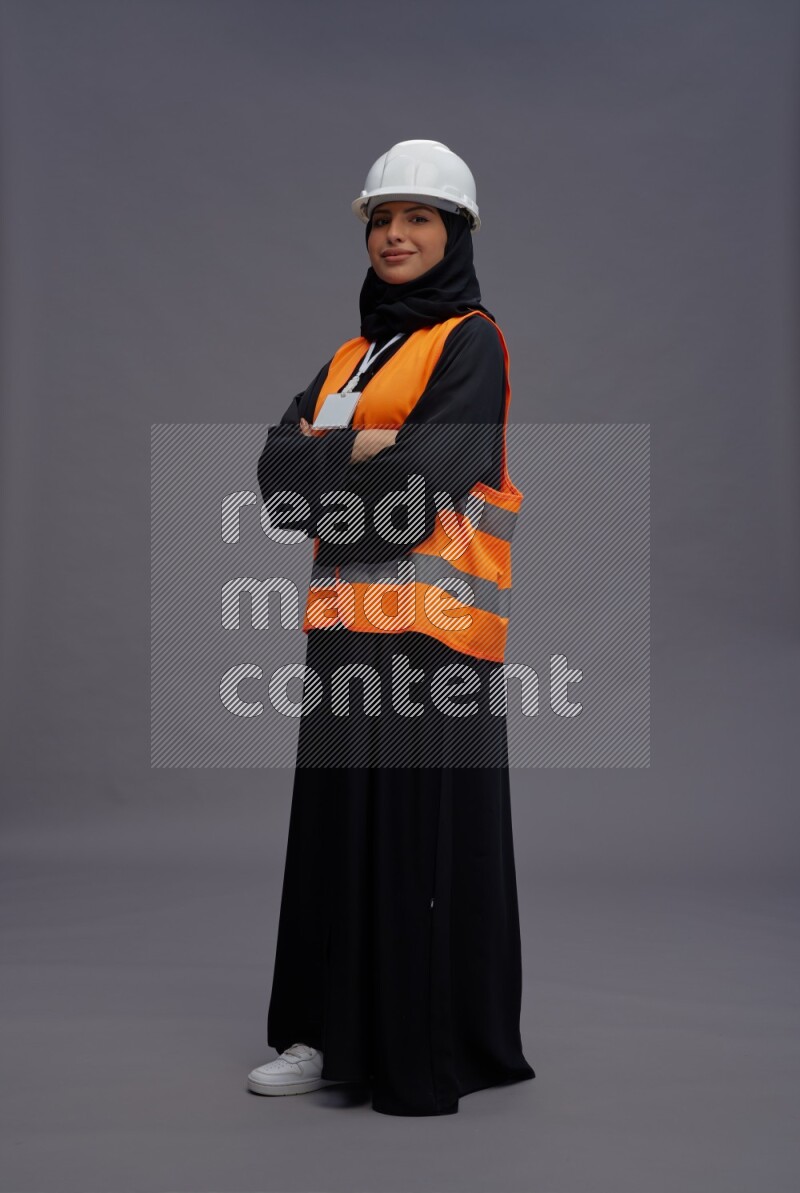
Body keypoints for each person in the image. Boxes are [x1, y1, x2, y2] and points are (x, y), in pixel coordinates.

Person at [248, 140, 535, 1116]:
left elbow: (422, 494)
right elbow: (268, 481)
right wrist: (351, 450)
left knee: (413, 841)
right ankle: (322, 1035)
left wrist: (327, 463)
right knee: (334, 835)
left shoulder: (470, 341)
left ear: (453, 234)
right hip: (342, 634)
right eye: (382, 219)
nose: (395, 235)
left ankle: (418, 1044)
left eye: (417, 218)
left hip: (431, 642)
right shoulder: (349, 357)